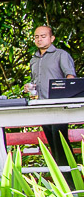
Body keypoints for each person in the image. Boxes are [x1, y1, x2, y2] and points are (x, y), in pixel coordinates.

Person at [29, 25, 77, 167]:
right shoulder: (34, 60)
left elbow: (70, 77)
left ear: (52, 38)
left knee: (60, 141)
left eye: (43, 36)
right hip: (42, 105)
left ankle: (71, 180)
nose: (39, 39)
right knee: (52, 142)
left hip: (58, 105)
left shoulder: (61, 54)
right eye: (37, 36)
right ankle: (61, 179)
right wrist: (30, 87)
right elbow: (35, 82)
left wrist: (67, 98)